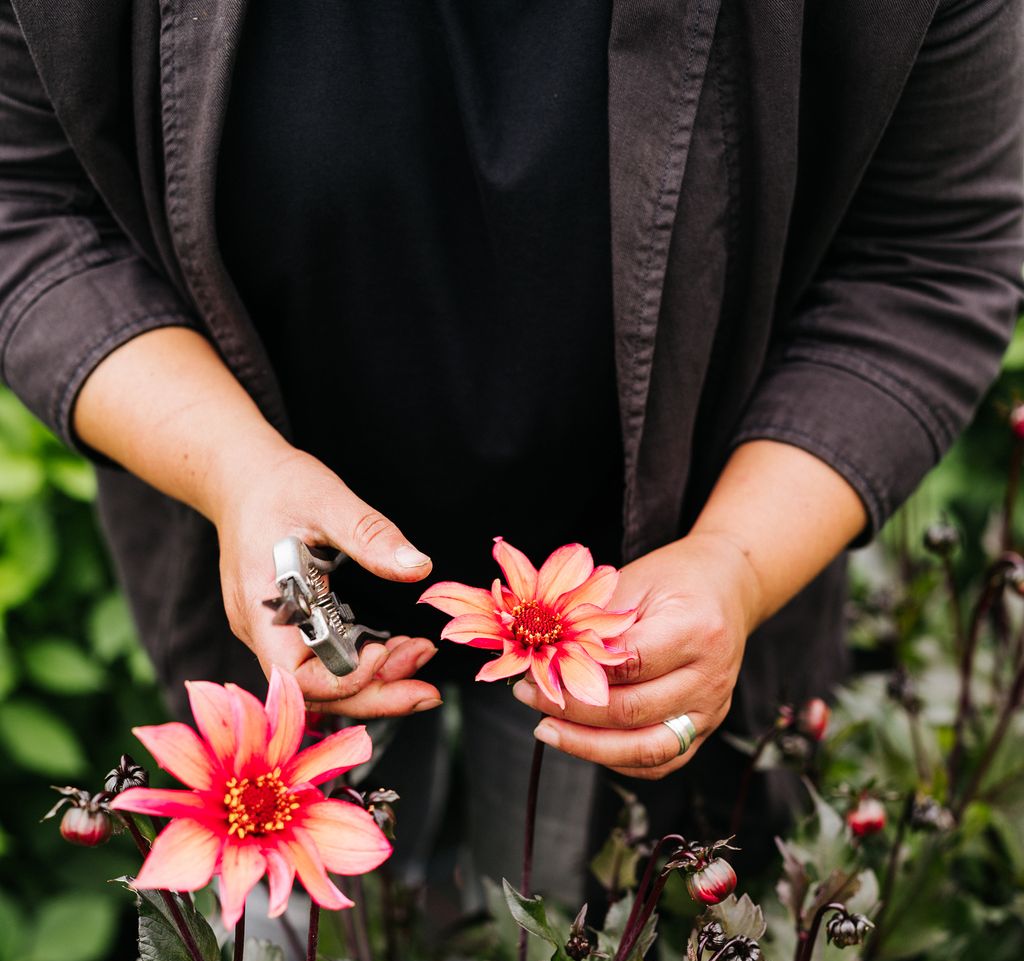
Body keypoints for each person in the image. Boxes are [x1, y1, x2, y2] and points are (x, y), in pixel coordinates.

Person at [1, 1, 1022, 901]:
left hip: (648, 599)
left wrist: (738, 565)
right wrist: (231, 469)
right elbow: (28, 205)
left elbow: (929, 259)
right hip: (265, 594)